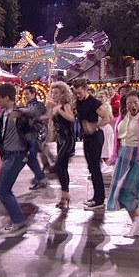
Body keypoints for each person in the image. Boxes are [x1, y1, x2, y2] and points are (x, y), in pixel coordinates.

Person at [106, 91, 139, 237]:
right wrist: (114, 156)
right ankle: (137, 222)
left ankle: (138, 218)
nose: (132, 105)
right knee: (120, 191)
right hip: (123, 155)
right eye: (129, 102)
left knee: (130, 191)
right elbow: (117, 140)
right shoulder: (122, 117)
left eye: (135, 102)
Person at [0, 83, 38, 236]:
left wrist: (29, 155)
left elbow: (32, 134)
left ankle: (19, 222)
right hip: (8, 155)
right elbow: (1, 133)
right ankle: (18, 221)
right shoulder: (4, 114)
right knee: (4, 190)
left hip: (16, 156)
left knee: (2, 191)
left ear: (7, 98)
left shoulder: (21, 114)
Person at [72, 79, 112, 210]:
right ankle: (96, 197)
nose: (77, 95)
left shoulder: (94, 102)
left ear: (85, 89)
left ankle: (99, 199)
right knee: (91, 168)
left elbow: (108, 117)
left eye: (79, 93)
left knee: (95, 168)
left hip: (96, 137)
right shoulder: (79, 102)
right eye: (75, 93)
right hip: (87, 137)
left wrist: (95, 126)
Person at [49, 81, 76, 209]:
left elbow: (71, 118)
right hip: (60, 140)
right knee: (62, 168)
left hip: (68, 139)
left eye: (56, 93)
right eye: (52, 93)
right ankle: (65, 196)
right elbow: (54, 126)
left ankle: (65, 195)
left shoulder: (65, 105)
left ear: (63, 93)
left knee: (59, 165)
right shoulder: (56, 106)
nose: (54, 95)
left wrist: (59, 110)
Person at [21, 85, 49, 190]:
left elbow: (32, 114)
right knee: (30, 158)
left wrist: (21, 112)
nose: (25, 96)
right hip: (29, 135)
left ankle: (40, 178)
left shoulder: (39, 105)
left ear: (33, 94)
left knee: (31, 157)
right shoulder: (27, 105)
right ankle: (39, 177)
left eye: (27, 94)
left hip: (36, 135)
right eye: (24, 94)